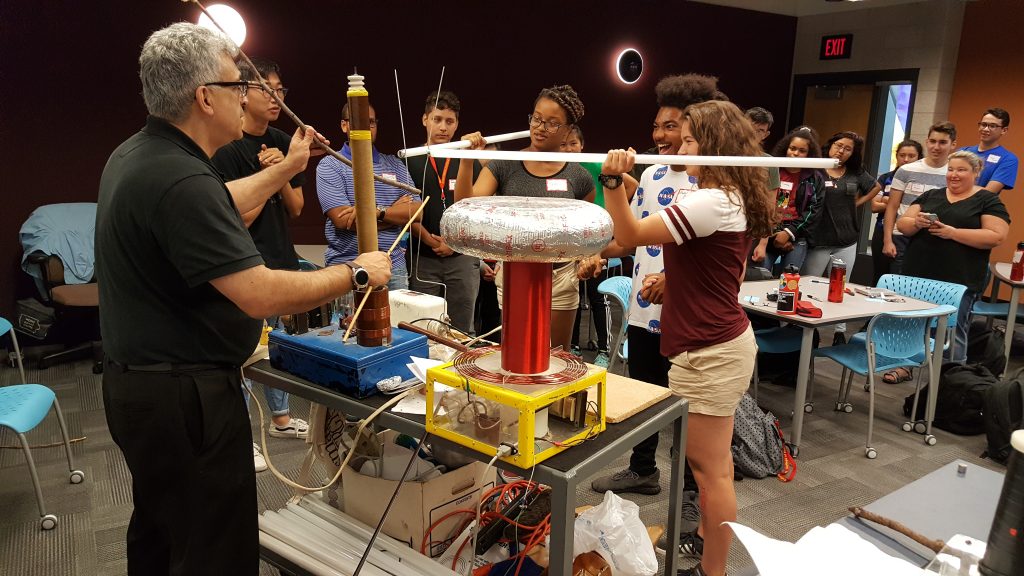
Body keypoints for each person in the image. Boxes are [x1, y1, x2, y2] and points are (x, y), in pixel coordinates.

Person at [95, 23, 390, 575]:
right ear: (205, 97)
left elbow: (216, 199)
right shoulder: (180, 179)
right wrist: (355, 273)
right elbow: (258, 292)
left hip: (141, 390)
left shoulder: (141, 155)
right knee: (211, 550)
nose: (247, 96)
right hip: (185, 401)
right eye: (237, 86)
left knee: (164, 534)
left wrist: (286, 168)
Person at [600, 99, 773, 576]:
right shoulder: (728, 198)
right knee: (706, 467)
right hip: (714, 345)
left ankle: (712, 570)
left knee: (710, 472)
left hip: (712, 352)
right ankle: (704, 540)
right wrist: (677, 285)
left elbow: (631, 233)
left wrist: (612, 182)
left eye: (692, 140)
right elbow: (719, 268)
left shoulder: (711, 200)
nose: (682, 145)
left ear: (716, 146)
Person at [581, 73, 726, 555]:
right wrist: (596, 251)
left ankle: (689, 496)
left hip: (687, 317)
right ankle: (643, 469)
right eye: (659, 127)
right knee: (644, 395)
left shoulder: (718, 182)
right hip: (645, 313)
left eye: (675, 128)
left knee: (687, 411)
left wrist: (674, 280)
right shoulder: (653, 175)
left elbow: (725, 260)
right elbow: (631, 234)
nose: (663, 138)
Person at [211, 58, 308, 473]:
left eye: (281, 90)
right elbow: (232, 217)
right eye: (267, 90)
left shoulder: (285, 140)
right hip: (245, 266)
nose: (276, 99)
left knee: (278, 349)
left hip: (281, 258)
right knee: (247, 354)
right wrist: (267, 172)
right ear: (243, 93)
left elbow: (297, 207)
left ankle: (282, 420)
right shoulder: (227, 149)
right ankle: (245, 438)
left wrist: (282, 171)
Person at [455, 85, 594, 352]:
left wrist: (587, 259)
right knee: (518, 354)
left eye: (552, 124)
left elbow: (583, 236)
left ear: (567, 131)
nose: (541, 127)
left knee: (558, 358)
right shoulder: (504, 165)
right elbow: (466, 207)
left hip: (561, 278)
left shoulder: (579, 177)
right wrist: (466, 160)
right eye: (537, 118)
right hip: (513, 277)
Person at [897, 150, 1009, 367]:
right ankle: (906, 368)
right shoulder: (932, 195)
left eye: (961, 170)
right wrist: (916, 223)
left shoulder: (987, 200)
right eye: (950, 169)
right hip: (917, 275)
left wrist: (953, 233)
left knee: (952, 332)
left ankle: (952, 377)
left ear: (976, 173)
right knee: (913, 325)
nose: (954, 174)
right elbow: (903, 224)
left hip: (959, 280)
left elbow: (996, 236)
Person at [317, 101, 420, 290]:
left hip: (392, 268)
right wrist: (394, 216)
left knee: (397, 320)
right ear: (344, 125)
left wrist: (376, 212)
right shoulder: (330, 165)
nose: (366, 128)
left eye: (371, 123)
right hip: (347, 268)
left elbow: (416, 213)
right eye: (359, 122)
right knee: (349, 321)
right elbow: (343, 220)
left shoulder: (394, 164)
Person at [406, 90, 481, 334]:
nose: (443, 127)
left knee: (462, 330)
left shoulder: (467, 160)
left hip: (462, 258)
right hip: (422, 258)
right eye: (437, 119)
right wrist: (428, 238)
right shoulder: (409, 160)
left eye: (449, 121)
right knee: (423, 327)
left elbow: (478, 209)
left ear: (457, 124)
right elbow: (404, 210)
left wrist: (454, 243)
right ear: (424, 119)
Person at [802, 131, 875, 345]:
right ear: (830, 145)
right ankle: (809, 328)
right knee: (810, 283)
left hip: (847, 239)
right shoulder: (815, 168)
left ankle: (839, 331)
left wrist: (858, 203)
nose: (841, 151)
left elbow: (875, 187)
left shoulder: (855, 172)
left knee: (841, 286)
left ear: (853, 153)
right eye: (838, 145)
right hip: (819, 239)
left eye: (847, 149)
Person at [564, 125, 612, 366]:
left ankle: (604, 349)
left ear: (582, 145)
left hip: (594, 241)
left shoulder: (595, 165)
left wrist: (608, 212)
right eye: (564, 144)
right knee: (571, 295)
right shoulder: (559, 171)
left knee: (596, 295)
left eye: (574, 143)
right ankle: (573, 348)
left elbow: (629, 185)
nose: (569, 148)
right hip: (569, 243)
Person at [882, 122, 957, 274]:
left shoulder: (954, 174)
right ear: (927, 142)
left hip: (936, 239)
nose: (936, 147)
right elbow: (892, 207)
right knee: (898, 285)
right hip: (902, 238)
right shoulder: (906, 170)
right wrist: (887, 240)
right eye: (933, 141)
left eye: (942, 142)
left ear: (953, 144)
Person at [752, 127, 825, 275]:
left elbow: (814, 210)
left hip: (796, 236)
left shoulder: (815, 177)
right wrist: (773, 235)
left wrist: (789, 233)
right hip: (767, 234)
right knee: (759, 276)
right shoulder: (773, 169)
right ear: (786, 148)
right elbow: (760, 202)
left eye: (802, 151)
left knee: (788, 281)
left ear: (809, 154)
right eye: (792, 148)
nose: (795, 153)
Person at [868, 140, 923, 285]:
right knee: (880, 275)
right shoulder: (885, 177)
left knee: (901, 277)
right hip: (883, 231)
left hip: (908, 234)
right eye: (902, 155)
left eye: (911, 156)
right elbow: (874, 206)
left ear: (919, 157)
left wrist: (888, 200)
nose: (905, 159)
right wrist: (895, 203)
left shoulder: (920, 179)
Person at [960, 108, 1017, 194]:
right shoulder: (963, 152)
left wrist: (958, 188)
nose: (986, 129)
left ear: (1004, 130)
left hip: (979, 206)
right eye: (983, 124)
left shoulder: (1008, 159)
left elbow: (988, 193)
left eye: (992, 126)